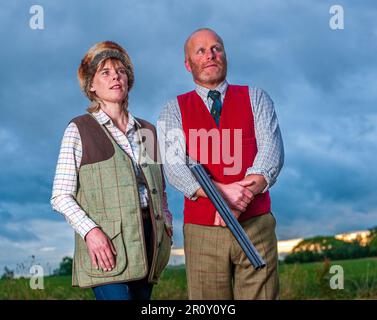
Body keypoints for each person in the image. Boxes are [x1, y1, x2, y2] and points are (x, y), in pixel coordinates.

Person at [157, 28, 284, 300]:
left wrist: (242, 199)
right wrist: (224, 194)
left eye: (216, 48)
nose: (210, 55)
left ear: (225, 55)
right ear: (188, 63)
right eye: (200, 51)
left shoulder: (257, 97)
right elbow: (175, 168)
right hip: (202, 231)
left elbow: (271, 152)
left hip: (256, 224)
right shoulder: (173, 109)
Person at [51, 41, 172, 300]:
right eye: (105, 72)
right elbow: (60, 196)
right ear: (91, 86)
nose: (115, 76)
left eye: (120, 71)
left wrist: (167, 226)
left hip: (149, 243)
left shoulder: (148, 131)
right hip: (107, 245)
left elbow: (159, 188)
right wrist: (91, 232)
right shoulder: (78, 129)